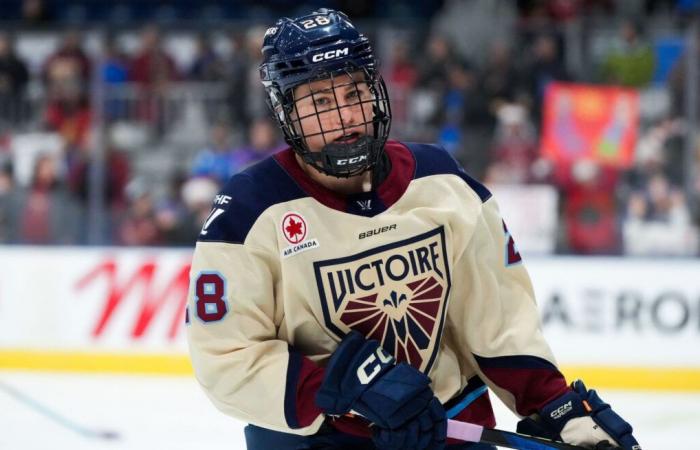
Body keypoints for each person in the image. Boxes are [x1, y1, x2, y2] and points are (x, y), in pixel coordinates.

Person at [186, 9, 642, 450]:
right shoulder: (248, 211)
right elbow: (225, 358)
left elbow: (497, 321)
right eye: (320, 102)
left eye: (353, 94)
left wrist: (555, 405)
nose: (344, 117)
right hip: (321, 441)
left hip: (445, 428)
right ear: (285, 112)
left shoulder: (441, 181)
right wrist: (341, 386)